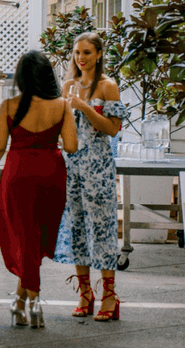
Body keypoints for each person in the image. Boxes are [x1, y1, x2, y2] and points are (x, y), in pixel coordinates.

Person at [0, 50, 78, 328]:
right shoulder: (62, 106)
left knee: (24, 237)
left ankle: (32, 302)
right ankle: (21, 302)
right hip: (51, 173)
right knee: (36, 240)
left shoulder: (9, 106)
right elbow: (71, 146)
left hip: (19, 173)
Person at [54, 32, 125, 322]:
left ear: (98, 54)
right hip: (72, 166)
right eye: (76, 53)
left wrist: (83, 107)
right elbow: (59, 124)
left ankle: (110, 295)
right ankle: (85, 293)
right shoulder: (68, 85)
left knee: (103, 228)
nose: (80, 58)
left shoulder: (108, 86)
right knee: (77, 229)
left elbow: (113, 128)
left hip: (99, 167)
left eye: (86, 52)